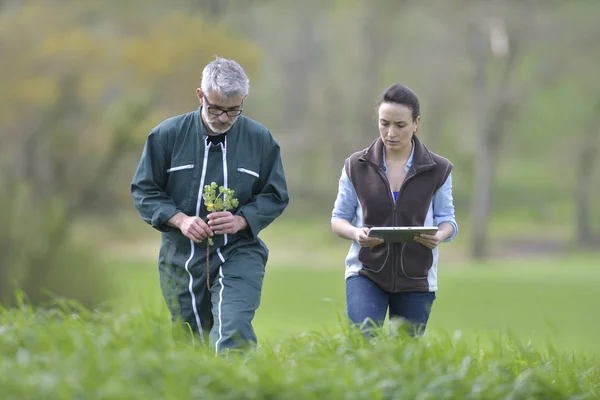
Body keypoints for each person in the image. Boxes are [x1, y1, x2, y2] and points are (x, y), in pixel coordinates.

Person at [131, 56, 289, 354]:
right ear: (200, 96)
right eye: (216, 108)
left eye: (234, 110)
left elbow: (275, 194)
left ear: (244, 99)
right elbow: (144, 190)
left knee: (233, 330)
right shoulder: (167, 136)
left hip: (239, 251)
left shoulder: (260, 140)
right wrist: (180, 220)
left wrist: (242, 220)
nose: (225, 118)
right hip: (181, 259)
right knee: (191, 343)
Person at [330, 83, 458, 338]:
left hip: (418, 278)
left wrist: (440, 236)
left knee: (406, 356)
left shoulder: (439, 169)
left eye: (400, 125)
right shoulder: (356, 166)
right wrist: (357, 234)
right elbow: (338, 219)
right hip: (365, 273)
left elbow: (448, 220)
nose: (391, 132)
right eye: (384, 123)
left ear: (416, 123)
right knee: (363, 342)